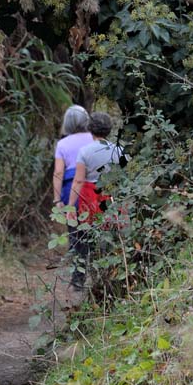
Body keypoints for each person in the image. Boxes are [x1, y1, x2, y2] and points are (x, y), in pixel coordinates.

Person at [67, 111, 124, 290]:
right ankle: (109, 277)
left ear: (90, 128)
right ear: (109, 129)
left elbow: (78, 180)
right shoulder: (118, 150)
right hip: (109, 197)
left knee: (83, 238)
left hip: (88, 198)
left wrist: (70, 206)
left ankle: (78, 279)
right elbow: (121, 179)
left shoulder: (85, 151)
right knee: (110, 236)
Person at [52, 104, 93, 208]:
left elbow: (58, 172)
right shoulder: (95, 139)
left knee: (73, 216)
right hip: (94, 185)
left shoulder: (62, 144)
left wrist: (57, 200)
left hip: (71, 188)